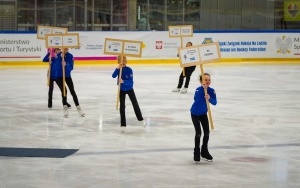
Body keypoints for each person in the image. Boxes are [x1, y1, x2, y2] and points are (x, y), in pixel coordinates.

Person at [112, 56, 146, 133]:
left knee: (135, 104)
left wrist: (123, 81)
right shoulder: (119, 69)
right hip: (121, 90)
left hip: (130, 89)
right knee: (122, 107)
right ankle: (123, 124)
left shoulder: (129, 69)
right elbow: (113, 76)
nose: (122, 63)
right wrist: (117, 68)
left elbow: (131, 82)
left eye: (123, 61)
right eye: (121, 61)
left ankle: (141, 119)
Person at [190, 73, 217, 162]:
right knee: (198, 133)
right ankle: (196, 152)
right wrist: (203, 91)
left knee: (207, 133)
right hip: (194, 113)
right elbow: (196, 99)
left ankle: (204, 151)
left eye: (209, 79)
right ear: (201, 81)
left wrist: (209, 98)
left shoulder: (212, 90)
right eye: (205, 80)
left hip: (203, 114)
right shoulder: (198, 90)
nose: (208, 81)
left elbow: (215, 102)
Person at [58, 48, 85, 117]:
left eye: (66, 49)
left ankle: (78, 108)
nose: (65, 50)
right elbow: (55, 66)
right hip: (60, 76)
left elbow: (71, 67)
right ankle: (65, 107)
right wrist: (59, 61)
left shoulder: (70, 56)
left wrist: (66, 65)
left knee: (72, 91)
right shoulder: (58, 55)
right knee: (64, 91)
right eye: (64, 49)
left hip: (67, 75)